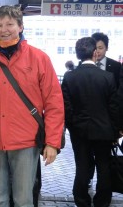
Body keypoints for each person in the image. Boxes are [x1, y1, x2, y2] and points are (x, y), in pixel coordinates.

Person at [0, 5, 64, 207]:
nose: (4, 29)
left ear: (20, 27)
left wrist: (52, 142)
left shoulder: (39, 58)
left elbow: (54, 102)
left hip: (25, 141)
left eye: (10, 24)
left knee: (24, 200)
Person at [61, 37, 121, 207]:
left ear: (78, 54)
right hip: (104, 130)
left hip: (79, 131)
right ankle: (102, 202)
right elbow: (114, 107)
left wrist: (73, 125)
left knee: (82, 167)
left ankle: (82, 201)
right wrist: (116, 130)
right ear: (95, 53)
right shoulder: (107, 77)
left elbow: (66, 107)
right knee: (104, 167)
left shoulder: (70, 77)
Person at [87, 32, 122, 188]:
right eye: (95, 48)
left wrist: (118, 126)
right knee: (86, 159)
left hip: (108, 123)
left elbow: (119, 98)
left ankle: (103, 190)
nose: (98, 51)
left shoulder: (116, 67)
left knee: (104, 161)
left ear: (106, 48)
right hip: (87, 122)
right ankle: (87, 180)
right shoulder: (84, 65)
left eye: (101, 48)